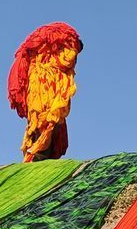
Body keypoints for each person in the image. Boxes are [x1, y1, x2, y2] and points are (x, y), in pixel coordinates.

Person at [7, 22, 83, 162]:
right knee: (45, 121)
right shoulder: (48, 63)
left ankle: (38, 153)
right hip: (43, 92)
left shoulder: (38, 56)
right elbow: (67, 60)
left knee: (44, 122)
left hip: (42, 90)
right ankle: (39, 155)